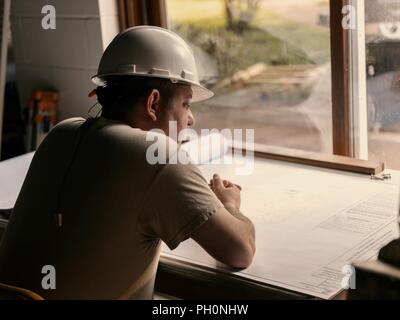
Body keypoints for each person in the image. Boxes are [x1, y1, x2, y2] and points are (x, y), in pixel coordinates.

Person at [0, 26, 255, 299]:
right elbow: (240, 251)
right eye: (186, 104)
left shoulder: (61, 133)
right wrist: (229, 206)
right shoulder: (158, 156)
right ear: (153, 103)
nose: (190, 119)